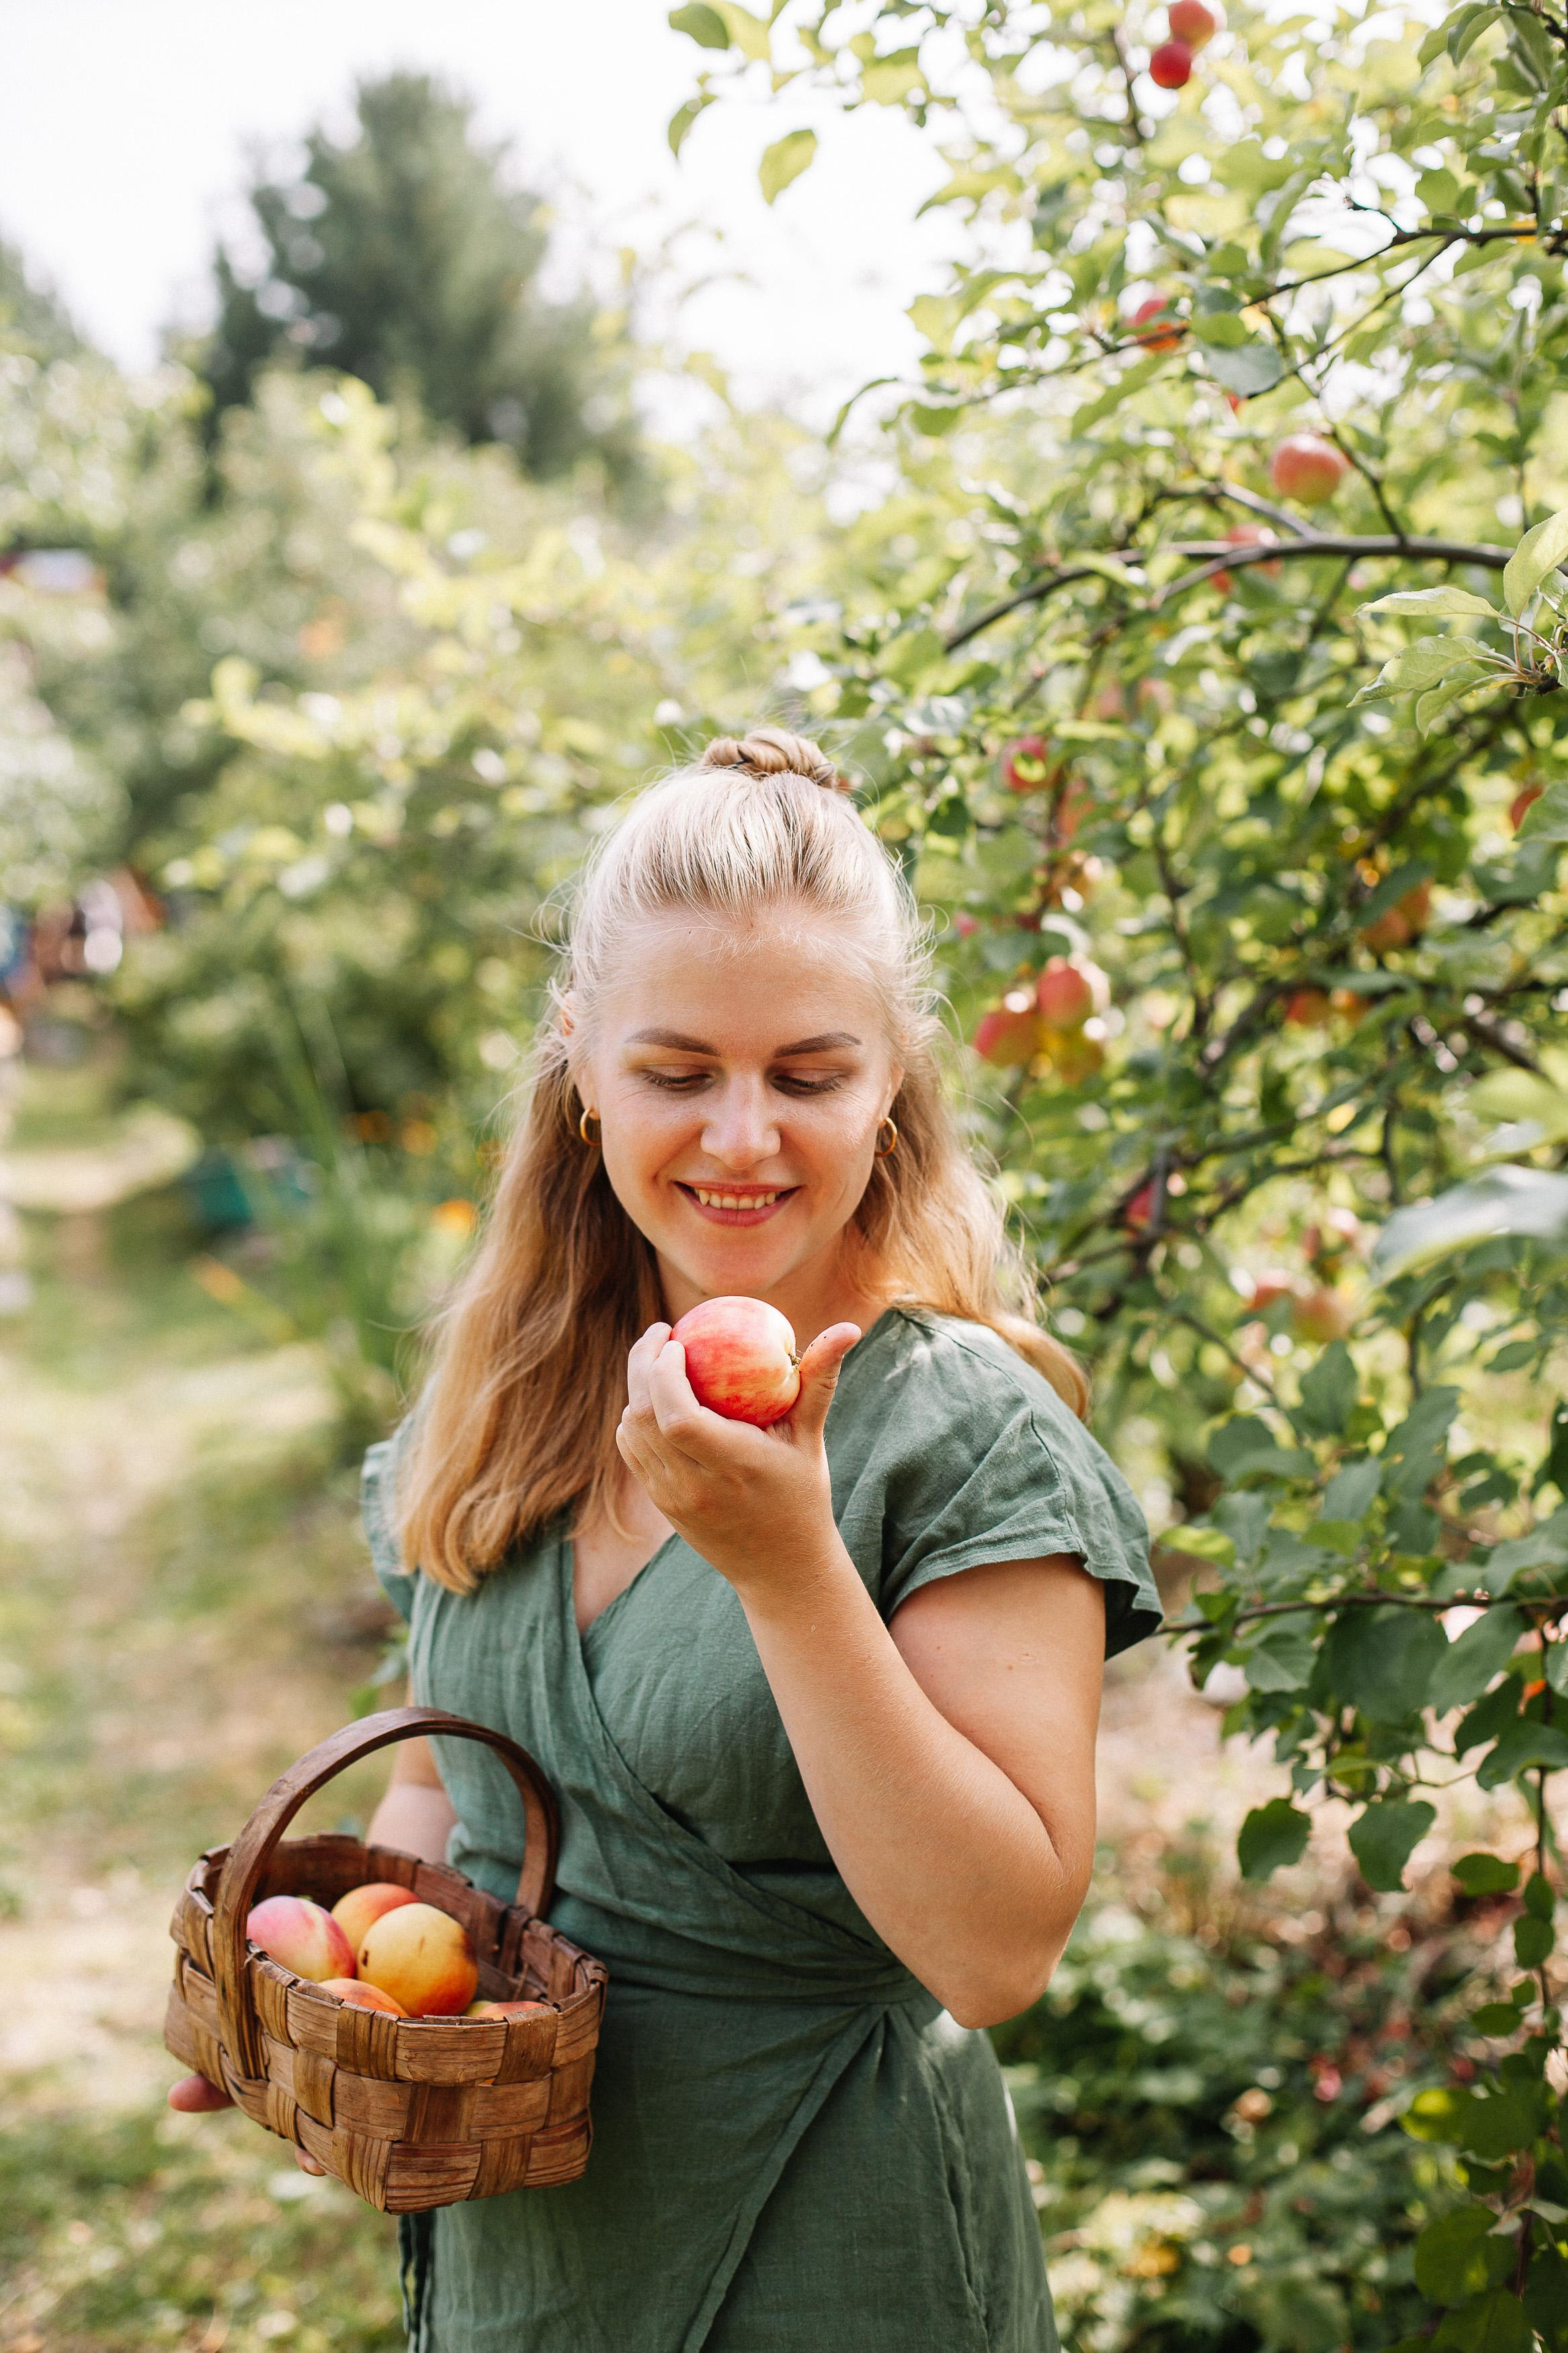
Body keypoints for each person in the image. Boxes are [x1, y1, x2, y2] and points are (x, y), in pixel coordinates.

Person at [171, 728, 1161, 2352]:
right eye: (680, 1071)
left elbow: (997, 1949)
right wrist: (327, 1994)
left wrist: (788, 1571)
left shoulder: (958, 1433)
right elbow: (451, 1790)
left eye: (811, 1074)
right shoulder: (505, 1399)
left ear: (895, 1071)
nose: (744, 1138)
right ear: (579, 1058)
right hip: (527, 2255)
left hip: (833, 2250)